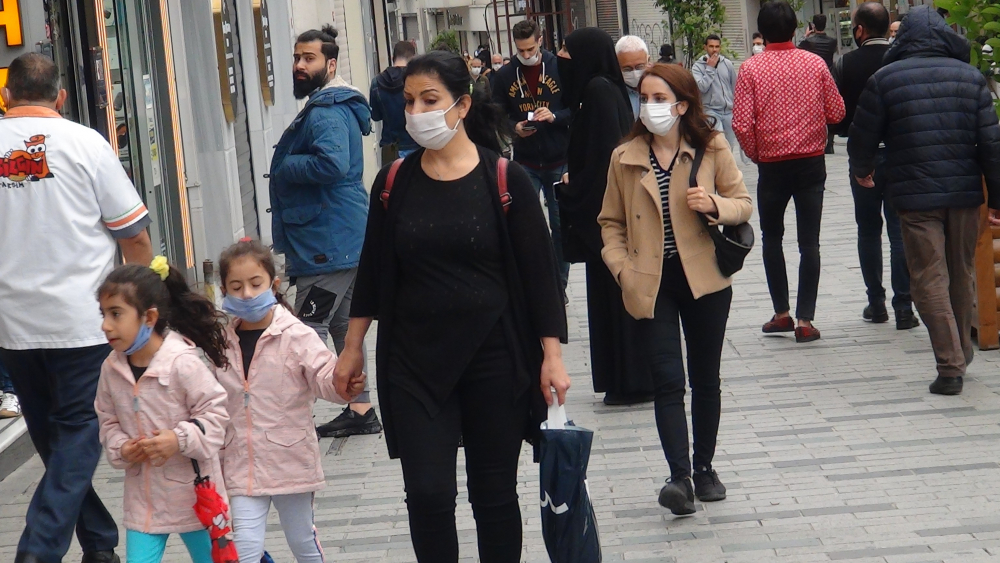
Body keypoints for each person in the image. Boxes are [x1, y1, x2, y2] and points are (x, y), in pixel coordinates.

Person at [336, 50, 571, 562]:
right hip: (413, 362)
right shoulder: (393, 182)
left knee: (494, 497)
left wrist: (551, 355)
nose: (415, 111)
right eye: (409, 101)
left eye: (429, 100)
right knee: (427, 495)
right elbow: (373, 270)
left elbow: (540, 279)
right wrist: (351, 347)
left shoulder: (504, 181)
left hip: (495, 359)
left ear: (462, 105)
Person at [0, 52, 154, 563]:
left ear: (6, 95)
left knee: (56, 444)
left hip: (14, 327)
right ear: (61, 97)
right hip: (83, 326)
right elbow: (134, 236)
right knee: (73, 447)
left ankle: (99, 545)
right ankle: (36, 554)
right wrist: (141, 304)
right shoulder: (87, 144)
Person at [599, 63, 752, 515]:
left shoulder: (712, 147)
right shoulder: (624, 157)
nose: (650, 108)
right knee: (668, 380)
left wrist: (715, 205)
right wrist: (622, 269)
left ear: (682, 105)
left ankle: (704, 469)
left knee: (706, 378)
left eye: (659, 99)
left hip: (704, 280)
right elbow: (610, 222)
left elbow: (744, 204)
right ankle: (679, 477)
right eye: (644, 98)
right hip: (651, 282)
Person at [848, 5, 1000, 396]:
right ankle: (959, 355)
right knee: (960, 270)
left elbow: (862, 134)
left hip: (915, 196)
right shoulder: (971, 79)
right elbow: (992, 145)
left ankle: (951, 364)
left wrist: (862, 169)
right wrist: (996, 197)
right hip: (965, 196)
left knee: (928, 276)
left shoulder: (886, 79)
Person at [214, 240, 365, 562]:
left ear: (274, 284)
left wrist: (344, 387)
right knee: (245, 549)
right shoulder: (222, 342)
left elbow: (324, 375)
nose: (247, 294)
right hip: (240, 463)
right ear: (223, 290)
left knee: (302, 541)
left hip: (290, 460)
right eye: (236, 286)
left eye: (256, 284)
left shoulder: (297, 334)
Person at [270, 25, 382, 438]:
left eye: (309, 59)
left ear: (330, 64)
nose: (300, 66)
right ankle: (361, 407)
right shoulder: (329, 106)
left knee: (308, 327)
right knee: (343, 326)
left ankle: (298, 414)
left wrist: (286, 166)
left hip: (328, 242)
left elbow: (331, 165)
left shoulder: (326, 111)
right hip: (340, 236)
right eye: (297, 58)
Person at [94, 260, 231, 563]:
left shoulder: (182, 361)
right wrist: (121, 447)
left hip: (196, 498)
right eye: (103, 314)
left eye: (116, 314)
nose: (106, 325)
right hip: (145, 502)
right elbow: (107, 419)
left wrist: (178, 439)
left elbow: (216, 414)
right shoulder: (111, 367)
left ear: (149, 317)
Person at [733, 1, 845, 344]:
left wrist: (757, 153)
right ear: (796, 29)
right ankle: (805, 319)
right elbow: (837, 112)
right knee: (809, 240)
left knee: (772, 237)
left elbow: (740, 124)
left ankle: (781, 312)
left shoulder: (750, 69)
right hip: (811, 162)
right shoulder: (814, 63)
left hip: (772, 165)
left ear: (761, 33)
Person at [557, 27, 654, 405]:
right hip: (614, 216)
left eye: (567, 50)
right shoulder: (605, 90)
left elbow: (601, 165)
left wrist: (573, 189)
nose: (561, 57)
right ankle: (629, 377)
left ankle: (627, 379)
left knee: (613, 300)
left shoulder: (597, 92)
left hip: (607, 220)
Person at [833, 2, 918, 330]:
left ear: (859, 30)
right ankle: (904, 307)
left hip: (863, 158)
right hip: (899, 156)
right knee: (900, 232)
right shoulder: (902, 61)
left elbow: (839, 117)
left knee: (868, 230)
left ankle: (876, 302)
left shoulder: (846, 64)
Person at [492, 19, 572, 291]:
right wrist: (514, 127)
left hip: (559, 159)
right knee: (524, 225)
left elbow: (576, 109)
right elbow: (497, 114)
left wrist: (554, 116)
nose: (526, 55)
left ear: (540, 41)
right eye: (520, 50)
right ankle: (530, 283)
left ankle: (559, 287)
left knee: (561, 227)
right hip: (525, 161)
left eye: (530, 49)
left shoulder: (560, 68)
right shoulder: (504, 76)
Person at [372, 40, 419, 162]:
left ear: (392, 57)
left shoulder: (376, 82)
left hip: (390, 147)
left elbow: (375, 116)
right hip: (415, 143)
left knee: (391, 180)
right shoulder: (415, 80)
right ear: (413, 58)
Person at [799, 14, 840, 154]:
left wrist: (806, 34)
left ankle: (817, 138)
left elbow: (798, 49)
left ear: (813, 26)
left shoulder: (809, 42)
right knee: (829, 108)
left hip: (812, 78)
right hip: (829, 75)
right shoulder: (832, 41)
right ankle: (831, 141)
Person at [692, 34, 739, 152]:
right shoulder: (698, 67)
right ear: (705, 47)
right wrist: (710, 69)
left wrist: (737, 107)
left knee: (729, 145)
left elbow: (734, 86)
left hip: (728, 111)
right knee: (719, 143)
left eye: (717, 46)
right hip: (711, 111)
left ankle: (726, 169)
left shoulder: (727, 64)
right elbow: (701, 87)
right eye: (711, 46)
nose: (714, 50)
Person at [616, 35, 650, 120]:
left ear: (648, 61)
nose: (635, 73)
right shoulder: (613, 93)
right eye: (627, 69)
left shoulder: (661, 86)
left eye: (640, 67)